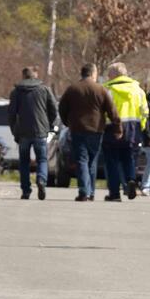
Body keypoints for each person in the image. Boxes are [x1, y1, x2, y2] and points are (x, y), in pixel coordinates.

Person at [58, 63, 115, 202]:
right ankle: (91, 192)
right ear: (93, 73)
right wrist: (117, 125)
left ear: (82, 73)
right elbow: (111, 109)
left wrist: (67, 122)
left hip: (78, 129)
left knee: (81, 160)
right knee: (92, 160)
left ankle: (84, 191)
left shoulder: (72, 89)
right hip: (96, 130)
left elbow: (62, 107)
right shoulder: (101, 89)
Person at [7, 65, 59, 200]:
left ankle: (26, 190)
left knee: (24, 162)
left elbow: (11, 114)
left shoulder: (16, 92)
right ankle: (41, 179)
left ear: (23, 76)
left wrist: (14, 131)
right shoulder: (44, 89)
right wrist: (49, 125)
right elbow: (54, 110)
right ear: (35, 76)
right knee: (42, 159)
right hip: (40, 131)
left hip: (23, 132)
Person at [104, 62, 149, 200]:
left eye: (109, 74)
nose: (107, 76)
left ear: (114, 75)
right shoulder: (138, 91)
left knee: (112, 161)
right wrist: (141, 126)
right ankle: (131, 180)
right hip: (134, 129)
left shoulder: (108, 90)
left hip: (112, 128)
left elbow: (104, 111)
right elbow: (145, 112)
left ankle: (114, 193)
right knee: (129, 158)